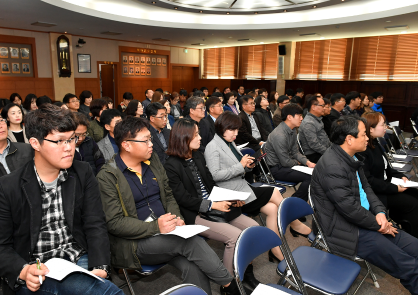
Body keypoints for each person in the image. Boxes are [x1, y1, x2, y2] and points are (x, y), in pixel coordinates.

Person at [0, 104, 123, 295]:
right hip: (35, 267)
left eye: (72, 139)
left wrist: (100, 266)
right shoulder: (8, 187)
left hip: (77, 258)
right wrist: (23, 270)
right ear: (35, 143)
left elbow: (95, 223)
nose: (69, 148)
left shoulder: (82, 172)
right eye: (59, 141)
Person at [96, 117, 240, 295]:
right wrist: (156, 226)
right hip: (134, 243)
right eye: (146, 140)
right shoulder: (108, 176)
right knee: (191, 242)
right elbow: (115, 223)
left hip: (166, 232)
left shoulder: (152, 160)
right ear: (126, 145)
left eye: (151, 138)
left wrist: (176, 218)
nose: (151, 144)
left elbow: (168, 195)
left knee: (193, 265)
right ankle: (231, 287)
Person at [311, 115, 418, 295]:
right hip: (345, 230)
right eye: (363, 134)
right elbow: (349, 209)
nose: (367, 137)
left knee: (415, 248)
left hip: (368, 220)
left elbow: (368, 190)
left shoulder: (352, 157)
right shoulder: (333, 166)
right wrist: (380, 226)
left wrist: (381, 213)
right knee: (409, 267)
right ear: (349, 139)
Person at [164, 118, 261, 290]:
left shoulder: (197, 155)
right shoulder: (171, 165)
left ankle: (245, 272)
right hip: (196, 213)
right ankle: (230, 285)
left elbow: (211, 184)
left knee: (253, 229)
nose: (200, 137)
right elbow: (182, 198)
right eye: (196, 134)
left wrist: (229, 198)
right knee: (235, 237)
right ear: (184, 138)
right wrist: (211, 205)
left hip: (216, 204)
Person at [205, 112, 311, 261]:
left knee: (273, 209)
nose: (236, 134)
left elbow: (239, 168)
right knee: (274, 192)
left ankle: (275, 250)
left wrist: (248, 166)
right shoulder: (213, 146)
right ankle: (295, 223)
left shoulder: (229, 142)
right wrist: (241, 166)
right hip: (232, 194)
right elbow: (215, 175)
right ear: (223, 127)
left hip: (242, 187)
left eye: (237, 130)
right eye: (233, 130)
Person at [358, 112, 418, 238]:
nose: (386, 127)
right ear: (371, 128)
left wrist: (401, 175)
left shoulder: (375, 143)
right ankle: (412, 236)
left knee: (415, 193)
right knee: (413, 204)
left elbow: (388, 168)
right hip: (378, 193)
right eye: (383, 125)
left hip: (386, 185)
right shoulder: (363, 150)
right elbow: (369, 181)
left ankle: (403, 223)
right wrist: (395, 188)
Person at [264, 104, 315, 204]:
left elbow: (295, 152)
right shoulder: (279, 135)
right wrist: (299, 163)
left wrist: (307, 162)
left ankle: (296, 203)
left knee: (314, 173)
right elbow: (285, 162)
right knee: (310, 178)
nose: (302, 118)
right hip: (277, 169)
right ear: (289, 117)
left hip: (287, 165)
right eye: (299, 115)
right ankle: (293, 204)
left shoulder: (292, 130)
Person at [299, 96, 330, 163]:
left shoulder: (317, 119)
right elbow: (314, 144)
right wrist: (330, 152)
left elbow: (324, 138)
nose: (324, 108)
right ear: (313, 107)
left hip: (321, 151)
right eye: (322, 106)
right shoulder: (309, 123)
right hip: (313, 155)